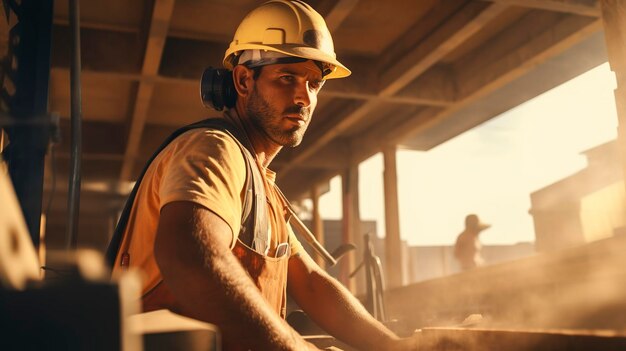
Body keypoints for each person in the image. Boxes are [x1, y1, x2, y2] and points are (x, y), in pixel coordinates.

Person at [109, 1, 417, 350]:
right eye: (288, 78)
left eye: (314, 83)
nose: (304, 96)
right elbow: (189, 255)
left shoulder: (263, 188)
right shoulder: (213, 148)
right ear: (243, 79)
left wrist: (396, 347)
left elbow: (312, 284)